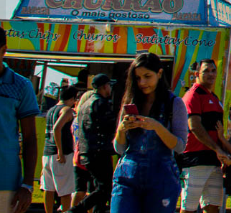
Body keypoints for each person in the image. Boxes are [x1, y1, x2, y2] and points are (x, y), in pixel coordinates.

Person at [110, 52, 189, 213]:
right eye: (138, 78)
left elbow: (180, 146)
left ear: (159, 73)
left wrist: (157, 127)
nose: (142, 82)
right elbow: (119, 148)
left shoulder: (174, 103)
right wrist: (122, 130)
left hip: (161, 178)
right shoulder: (130, 101)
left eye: (147, 76)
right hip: (127, 175)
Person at [182, 59, 231, 213]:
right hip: (195, 160)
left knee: (213, 206)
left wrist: (223, 153)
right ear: (197, 74)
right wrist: (217, 149)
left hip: (214, 161)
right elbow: (195, 126)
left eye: (213, 70)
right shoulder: (193, 95)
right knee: (188, 207)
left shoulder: (215, 98)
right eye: (206, 71)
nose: (211, 74)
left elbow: (217, 131)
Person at [0, 38, 39, 213]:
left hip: (5, 183)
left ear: (3, 50)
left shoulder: (21, 85)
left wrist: (28, 185)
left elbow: (30, 138)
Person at [69, 74, 113, 213]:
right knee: (105, 188)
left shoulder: (85, 104)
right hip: (99, 151)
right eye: (109, 85)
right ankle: (76, 210)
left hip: (85, 152)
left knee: (98, 187)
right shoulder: (101, 103)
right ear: (105, 86)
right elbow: (109, 126)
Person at [42, 86, 79, 213]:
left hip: (47, 153)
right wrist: (60, 151)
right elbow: (57, 128)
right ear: (73, 98)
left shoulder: (51, 109)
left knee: (49, 189)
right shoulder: (67, 110)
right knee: (65, 190)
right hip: (62, 154)